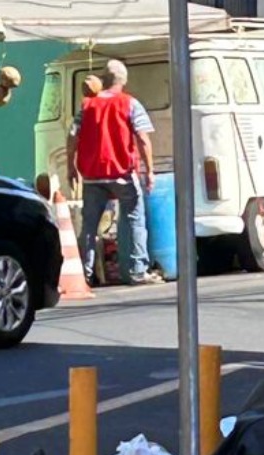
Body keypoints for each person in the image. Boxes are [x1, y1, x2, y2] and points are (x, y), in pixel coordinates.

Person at [67, 60, 164, 286]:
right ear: (124, 81)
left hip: (92, 175)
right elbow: (142, 138)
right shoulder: (129, 103)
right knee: (134, 220)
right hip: (122, 172)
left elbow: (73, 136)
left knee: (89, 226)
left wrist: (71, 166)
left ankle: (85, 274)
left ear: (103, 79)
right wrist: (149, 171)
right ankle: (137, 270)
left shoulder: (87, 105)